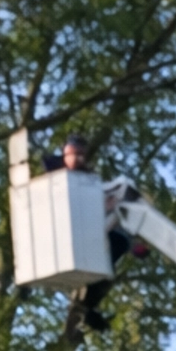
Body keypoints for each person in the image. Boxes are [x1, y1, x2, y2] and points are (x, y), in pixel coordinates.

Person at [40, 133, 143, 332]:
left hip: (87, 231)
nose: (78, 159)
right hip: (65, 232)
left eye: (82, 155)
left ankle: (87, 307)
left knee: (117, 245)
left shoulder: (88, 179)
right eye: (74, 154)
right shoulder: (55, 178)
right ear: (65, 154)